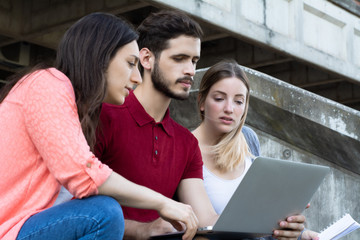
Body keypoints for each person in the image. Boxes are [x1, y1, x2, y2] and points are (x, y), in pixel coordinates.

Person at [95, 10, 308, 240]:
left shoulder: (186, 143)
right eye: (179, 59)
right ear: (146, 59)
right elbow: (75, 206)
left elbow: (208, 222)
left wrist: (276, 222)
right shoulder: (103, 115)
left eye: (194, 60)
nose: (190, 70)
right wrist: (141, 230)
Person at [0, 12, 199, 240]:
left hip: (29, 227)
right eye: (130, 64)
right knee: (103, 213)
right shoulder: (48, 83)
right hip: (10, 229)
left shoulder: (76, 105)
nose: (137, 78)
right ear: (100, 57)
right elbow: (83, 174)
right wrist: (162, 202)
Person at [192, 59, 320, 240]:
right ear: (202, 101)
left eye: (238, 101)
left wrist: (294, 232)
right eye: (219, 99)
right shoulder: (185, 147)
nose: (229, 109)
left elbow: (260, 226)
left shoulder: (248, 138)